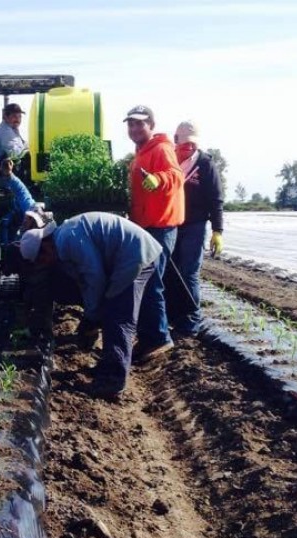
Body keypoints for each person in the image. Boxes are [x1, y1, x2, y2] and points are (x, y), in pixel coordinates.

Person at [19, 212, 163, 398]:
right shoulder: (63, 242)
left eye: (41, 260)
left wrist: (91, 317)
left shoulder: (68, 240)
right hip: (128, 253)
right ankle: (108, 366)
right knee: (111, 310)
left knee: (118, 317)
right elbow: (85, 282)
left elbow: (94, 278)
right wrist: (91, 315)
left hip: (134, 254)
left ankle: (113, 380)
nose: (44, 264)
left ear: (44, 247)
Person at [124, 105, 185, 362]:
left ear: (151, 124)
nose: (135, 128)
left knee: (151, 282)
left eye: (140, 123)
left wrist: (159, 180)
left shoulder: (161, 148)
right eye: (131, 124)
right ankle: (150, 336)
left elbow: (175, 175)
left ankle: (160, 338)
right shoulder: (139, 153)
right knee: (146, 281)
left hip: (161, 225)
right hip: (146, 225)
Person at [171, 121, 224, 336]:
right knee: (172, 272)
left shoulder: (205, 165)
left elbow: (216, 199)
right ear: (176, 141)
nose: (188, 149)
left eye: (192, 145)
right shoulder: (170, 161)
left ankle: (191, 322)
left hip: (195, 225)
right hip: (172, 223)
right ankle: (174, 317)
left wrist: (217, 231)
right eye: (184, 145)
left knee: (189, 272)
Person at [0, 103, 28, 167]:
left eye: (19, 116)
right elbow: (14, 154)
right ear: (6, 117)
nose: (18, 120)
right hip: (0, 168)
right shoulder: (5, 131)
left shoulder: (12, 128)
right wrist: (27, 148)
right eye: (14, 116)